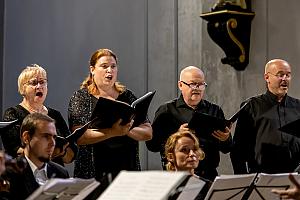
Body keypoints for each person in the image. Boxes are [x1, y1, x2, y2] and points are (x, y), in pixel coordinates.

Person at [68, 48, 152, 181]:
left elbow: (148, 132)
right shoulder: (82, 97)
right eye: (104, 66)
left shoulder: (127, 96)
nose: (110, 70)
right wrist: (113, 132)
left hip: (127, 170)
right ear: (92, 69)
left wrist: (126, 130)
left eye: (113, 66)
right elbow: (79, 136)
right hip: (94, 172)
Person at [146, 66, 232, 181]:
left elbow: (227, 148)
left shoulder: (214, 110)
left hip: (209, 175)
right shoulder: (167, 110)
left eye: (201, 85)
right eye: (193, 84)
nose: (197, 88)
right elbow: (152, 145)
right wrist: (176, 136)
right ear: (180, 85)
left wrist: (225, 139)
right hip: (177, 176)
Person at [230, 59, 300, 174]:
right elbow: (238, 149)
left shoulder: (298, 107)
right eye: (280, 75)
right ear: (267, 77)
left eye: (288, 75)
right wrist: (243, 179)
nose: (285, 79)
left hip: (295, 178)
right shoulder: (251, 106)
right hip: (263, 176)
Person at [1, 64, 75, 165]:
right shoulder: (13, 114)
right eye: (34, 83)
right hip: (26, 173)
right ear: (23, 89)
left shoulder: (55, 115)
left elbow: (70, 156)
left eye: (42, 82)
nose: (39, 86)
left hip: (54, 173)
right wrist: (45, 154)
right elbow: (12, 149)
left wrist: (61, 152)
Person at [5, 113, 69, 199]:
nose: (53, 143)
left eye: (54, 137)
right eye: (46, 136)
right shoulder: (8, 173)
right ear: (26, 137)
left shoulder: (61, 173)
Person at [164, 130, 210, 200]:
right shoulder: (163, 187)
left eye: (195, 149)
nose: (192, 154)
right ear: (171, 157)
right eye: (184, 150)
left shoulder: (207, 185)